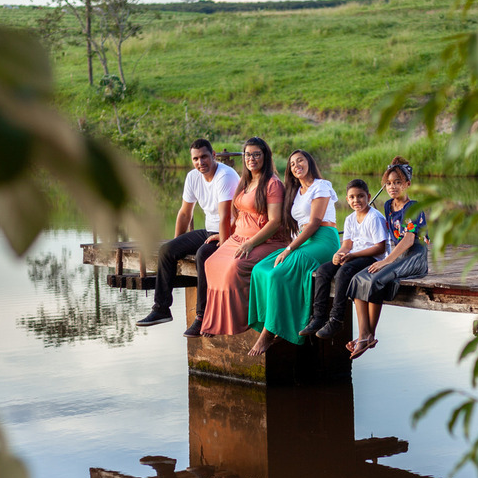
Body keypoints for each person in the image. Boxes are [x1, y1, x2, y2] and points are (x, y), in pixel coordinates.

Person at [136, 139, 239, 335]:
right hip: (208, 230)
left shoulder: (225, 176)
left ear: (214, 155)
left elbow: (226, 216)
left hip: (230, 232)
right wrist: (177, 244)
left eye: (204, 157)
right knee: (166, 250)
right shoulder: (193, 177)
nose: (200, 162)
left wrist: (224, 246)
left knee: (203, 255)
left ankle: (202, 317)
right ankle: (161, 309)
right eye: (195, 159)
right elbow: (185, 213)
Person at [245, 150, 340, 355]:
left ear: (309, 162)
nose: (296, 165)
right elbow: (297, 225)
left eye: (300, 161)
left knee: (279, 274)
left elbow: (314, 223)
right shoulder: (296, 193)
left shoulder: (321, 186)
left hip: (324, 240)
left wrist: (289, 249)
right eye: (292, 164)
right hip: (304, 241)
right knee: (261, 269)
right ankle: (272, 324)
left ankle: (268, 334)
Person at [199, 138, 287, 337]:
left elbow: (275, 222)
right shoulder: (245, 180)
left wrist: (250, 243)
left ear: (265, 156)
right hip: (239, 237)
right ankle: (216, 321)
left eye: (257, 154)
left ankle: (240, 320)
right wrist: (224, 237)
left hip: (266, 240)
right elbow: (238, 213)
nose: (252, 159)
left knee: (235, 267)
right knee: (212, 262)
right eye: (248, 154)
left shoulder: (272, 184)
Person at [347, 157, 429, 359]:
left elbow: (408, 240)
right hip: (397, 255)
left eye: (398, 182)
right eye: (389, 183)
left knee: (377, 277)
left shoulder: (412, 207)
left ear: (407, 184)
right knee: (358, 278)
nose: (392, 187)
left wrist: (386, 261)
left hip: (414, 256)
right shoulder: (387, 206)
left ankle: (369, 335)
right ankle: (364, 334)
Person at [300, 178, 390, 340]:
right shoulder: (349, 219)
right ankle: (319, 316)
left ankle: (336, 319)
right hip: (353, 256)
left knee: (344, 272)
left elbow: (380, 248)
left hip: (372, 258)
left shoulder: (374, 217)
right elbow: (347, 244)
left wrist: (352, 255)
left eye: (361, 196)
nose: (357, 200)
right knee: (323, 270)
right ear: (347, 199)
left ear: (369, 197)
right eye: (352, 197)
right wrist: (339, 253)